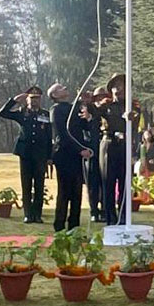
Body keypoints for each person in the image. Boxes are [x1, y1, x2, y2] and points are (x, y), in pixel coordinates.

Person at [0, 85, 53, 223]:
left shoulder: (45, 114)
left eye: (37, 98)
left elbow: (48, 136)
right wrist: (14, 101)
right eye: (32, 98)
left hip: (40, 154)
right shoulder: (22, 113)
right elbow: (2, 113)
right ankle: (28, 214)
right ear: (27, 99)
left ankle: (37, 214)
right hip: (26, 154)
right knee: (26, 184)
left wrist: (50, 157)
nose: (34, 101)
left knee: (39, 185)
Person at [49, 83, 92, 232]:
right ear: (54, 95)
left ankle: (74, 227)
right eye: (60, 88)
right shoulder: (55, 110)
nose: (65, 88)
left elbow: (83, 126)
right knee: (64, 191)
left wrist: (87, 113)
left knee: (77, 192)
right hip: (64, 154)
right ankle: (59, 226)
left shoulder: (73, 108)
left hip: (76, 155)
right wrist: (80, 149)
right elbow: (63, 133)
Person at [96, 73, 139, 224]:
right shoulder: (106, 105)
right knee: (108, 183)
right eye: (117, 86)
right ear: (111, 89)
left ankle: (123, 217)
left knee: (125, 183)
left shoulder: (133, 107)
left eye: (123, 86)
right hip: (109, 145)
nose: (120, 90)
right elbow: (93, 116)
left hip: (124, 146)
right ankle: (110, 218)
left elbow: (135, 128)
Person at [76, 91, 105, 223]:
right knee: (92, 183)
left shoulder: (105, 110)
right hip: (91, 150)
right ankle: (94, 211)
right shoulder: (85, 109)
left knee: (105, 182)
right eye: (97, 98)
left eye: (102, 97)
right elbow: (86, 129)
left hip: (104, 150)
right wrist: (89, 118)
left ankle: (104, 209)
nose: (100, 100)